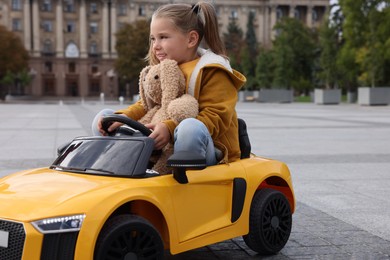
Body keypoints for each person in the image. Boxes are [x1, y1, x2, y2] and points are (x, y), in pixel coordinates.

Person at [92, 1, 246, 167]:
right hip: (164, 145)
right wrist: (125, 116)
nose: (155, 46)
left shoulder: (213, 70)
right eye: (153, 39)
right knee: (104, 117)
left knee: (190, 128)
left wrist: (170, 128)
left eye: (163, 37)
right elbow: (147, 104)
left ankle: (183, 180)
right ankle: (117, 164)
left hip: (211, 151)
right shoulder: (162, 69)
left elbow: (217, 117)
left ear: (191, 39)